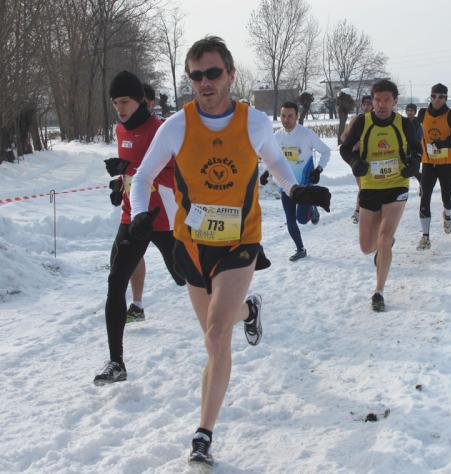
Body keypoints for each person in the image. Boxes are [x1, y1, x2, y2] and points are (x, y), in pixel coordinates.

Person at [129, 36, 330, 467]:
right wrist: (140, 215)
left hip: (240, 242)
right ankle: (248, 310)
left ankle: (203, 432)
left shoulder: (254, 123)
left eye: (213, 73)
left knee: (217, 333)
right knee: (214, 337)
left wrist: (298, 189)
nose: (204, 82)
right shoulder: (176, 126)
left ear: (231, 75)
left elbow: (276, 166)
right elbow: (142, 177)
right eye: (196, 75)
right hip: (193, 244)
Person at [94, 71, 185, 385]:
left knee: (186, 277)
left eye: (125, 101)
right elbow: (132, 174)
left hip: (162, 220)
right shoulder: (120, 130)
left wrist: (131, 169)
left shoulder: (161, 130)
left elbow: (177, 174)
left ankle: (238, 305)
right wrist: (119, 184)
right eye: (115, 102)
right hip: (132, 218)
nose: (119, 108)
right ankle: (116, 362)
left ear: (139, 100)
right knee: (115, 280)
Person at [340, 79, 420, 312]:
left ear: (395, 101)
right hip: (370, 187)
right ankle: (386, 246)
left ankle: (379, 292)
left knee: (384, 239)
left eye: (387, 100)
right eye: (377, 100)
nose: (382, 104)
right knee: (367, 247)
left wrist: (413, 166)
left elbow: (417, 150)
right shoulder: (362, 123)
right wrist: (355, 162)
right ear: (371, 101)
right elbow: (345, 148)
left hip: (396, 185)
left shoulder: (403, 124)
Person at [263, 101, 331, 261]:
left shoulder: (306, 134)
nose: (286, 119)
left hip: (304, 185)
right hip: (285, 185)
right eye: (283, 116)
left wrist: (318, 169)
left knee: (302, 219)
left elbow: (326, 152)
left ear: (296, 116)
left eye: (290, 116)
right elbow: (272, 158)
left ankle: (312, 209)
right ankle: (300, 249)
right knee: (290, 219)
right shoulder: (277, 137)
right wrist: (266, 172)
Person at [125, 83, 160, 324]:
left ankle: (227, 296)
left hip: (164, 208)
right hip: (138, 209)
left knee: (184, 268)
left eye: (146, 104)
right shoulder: (126, 130)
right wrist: (120, 182)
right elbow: (131, 166)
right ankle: (136, 305)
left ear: (151, 104)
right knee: (131, 254)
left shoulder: (161, 129)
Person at [415, 83, 451, 250]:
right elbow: (416, 134)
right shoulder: (422, 113)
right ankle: (425, 237)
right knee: (424, 197)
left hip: (446, 164)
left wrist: (445, 143)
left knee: (446, 199)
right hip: (428, 163)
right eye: (434, 96)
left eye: (441, 97)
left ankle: (447, 215)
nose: (437, 100)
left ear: (446, 98)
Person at [341, 95, 373, 224]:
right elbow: (344, 137)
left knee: (373, 186)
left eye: (369, 104)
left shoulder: (378, 119)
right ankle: (358, 212)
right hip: (359, 158)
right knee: (363, 186)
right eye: (364, 104)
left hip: (375, 156)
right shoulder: (356, 119)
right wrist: (355, 144)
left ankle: (367, 211)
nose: (366, 107)